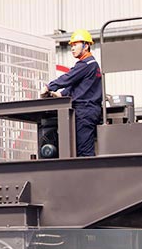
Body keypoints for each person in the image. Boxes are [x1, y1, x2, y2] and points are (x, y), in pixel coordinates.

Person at [42, 29, 102, 157]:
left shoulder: (86, 64)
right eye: (71, 45)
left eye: (75, 45)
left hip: (84, 111)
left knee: (84, 152)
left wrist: (49, 87)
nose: (72, 48)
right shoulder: (91, 65)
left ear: (86, 46)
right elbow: (79, 86)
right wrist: (61, 94)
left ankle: (87, 175)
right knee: (80, 149)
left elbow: (69, 77)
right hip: (88, 110)